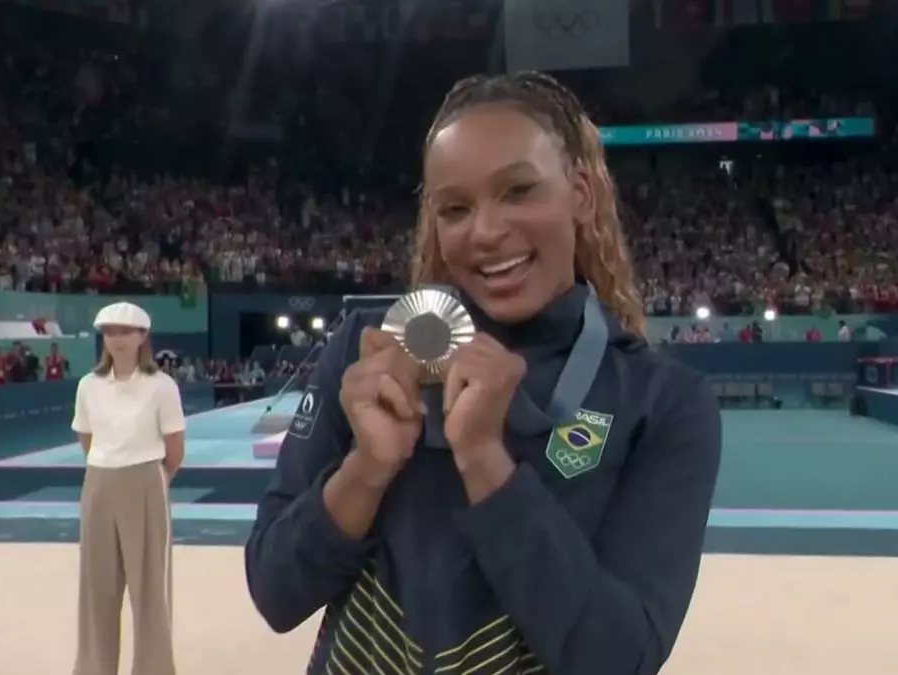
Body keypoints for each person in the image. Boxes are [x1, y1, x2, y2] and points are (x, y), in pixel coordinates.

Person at [244, 72, 722, 675]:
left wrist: (484, 461)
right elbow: (275, 592)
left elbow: (618, 657)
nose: (487, 232)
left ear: (580, 194)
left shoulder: (664, 403)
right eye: (456, 208)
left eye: (519, 191)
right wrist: (366, 471)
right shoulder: (370, 352)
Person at [71, 301, 186, 675]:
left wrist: (150, 480)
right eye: (109, 332)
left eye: (125, 332)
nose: (116, 339)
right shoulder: (88, 386)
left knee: (149, 587)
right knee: (97, 588)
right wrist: (109, 467)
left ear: (142, 337)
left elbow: (175, 450)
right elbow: (87, 438)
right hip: (99, 481)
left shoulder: (161, 386)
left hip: (146, 480)